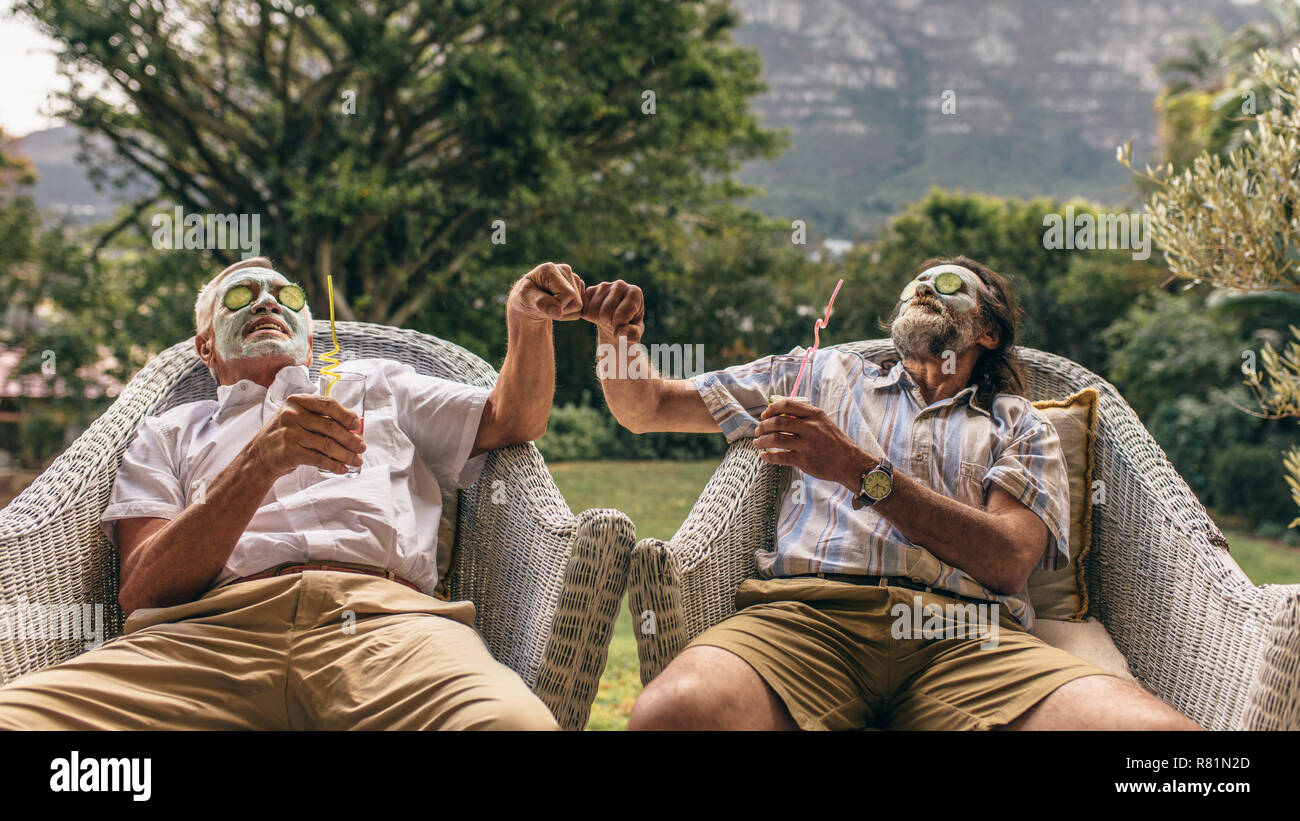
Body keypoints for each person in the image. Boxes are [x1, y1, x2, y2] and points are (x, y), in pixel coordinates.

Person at [582, 256, 1201, 730]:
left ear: (987, 330)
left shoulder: (1020, 424)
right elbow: (647, 406)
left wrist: (858, 470)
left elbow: (1008, 562)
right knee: (670, 715)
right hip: (805, 619)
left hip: (967, 640)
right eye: (915, 286)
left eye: (950, 284)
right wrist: (616, 337)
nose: (925, 289)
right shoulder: (821, 375)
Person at [0, 256, 589, 730]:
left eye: (287, 297)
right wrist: (260, 463)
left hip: (390, 632)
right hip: (203, 643)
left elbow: (513, 420)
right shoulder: (168, 432)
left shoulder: (381, 386)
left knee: (510, 725)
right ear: (206, 348)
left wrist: (526, 323)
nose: (265, 302)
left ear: (312, 338)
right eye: (240, 296)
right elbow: (144, 588)